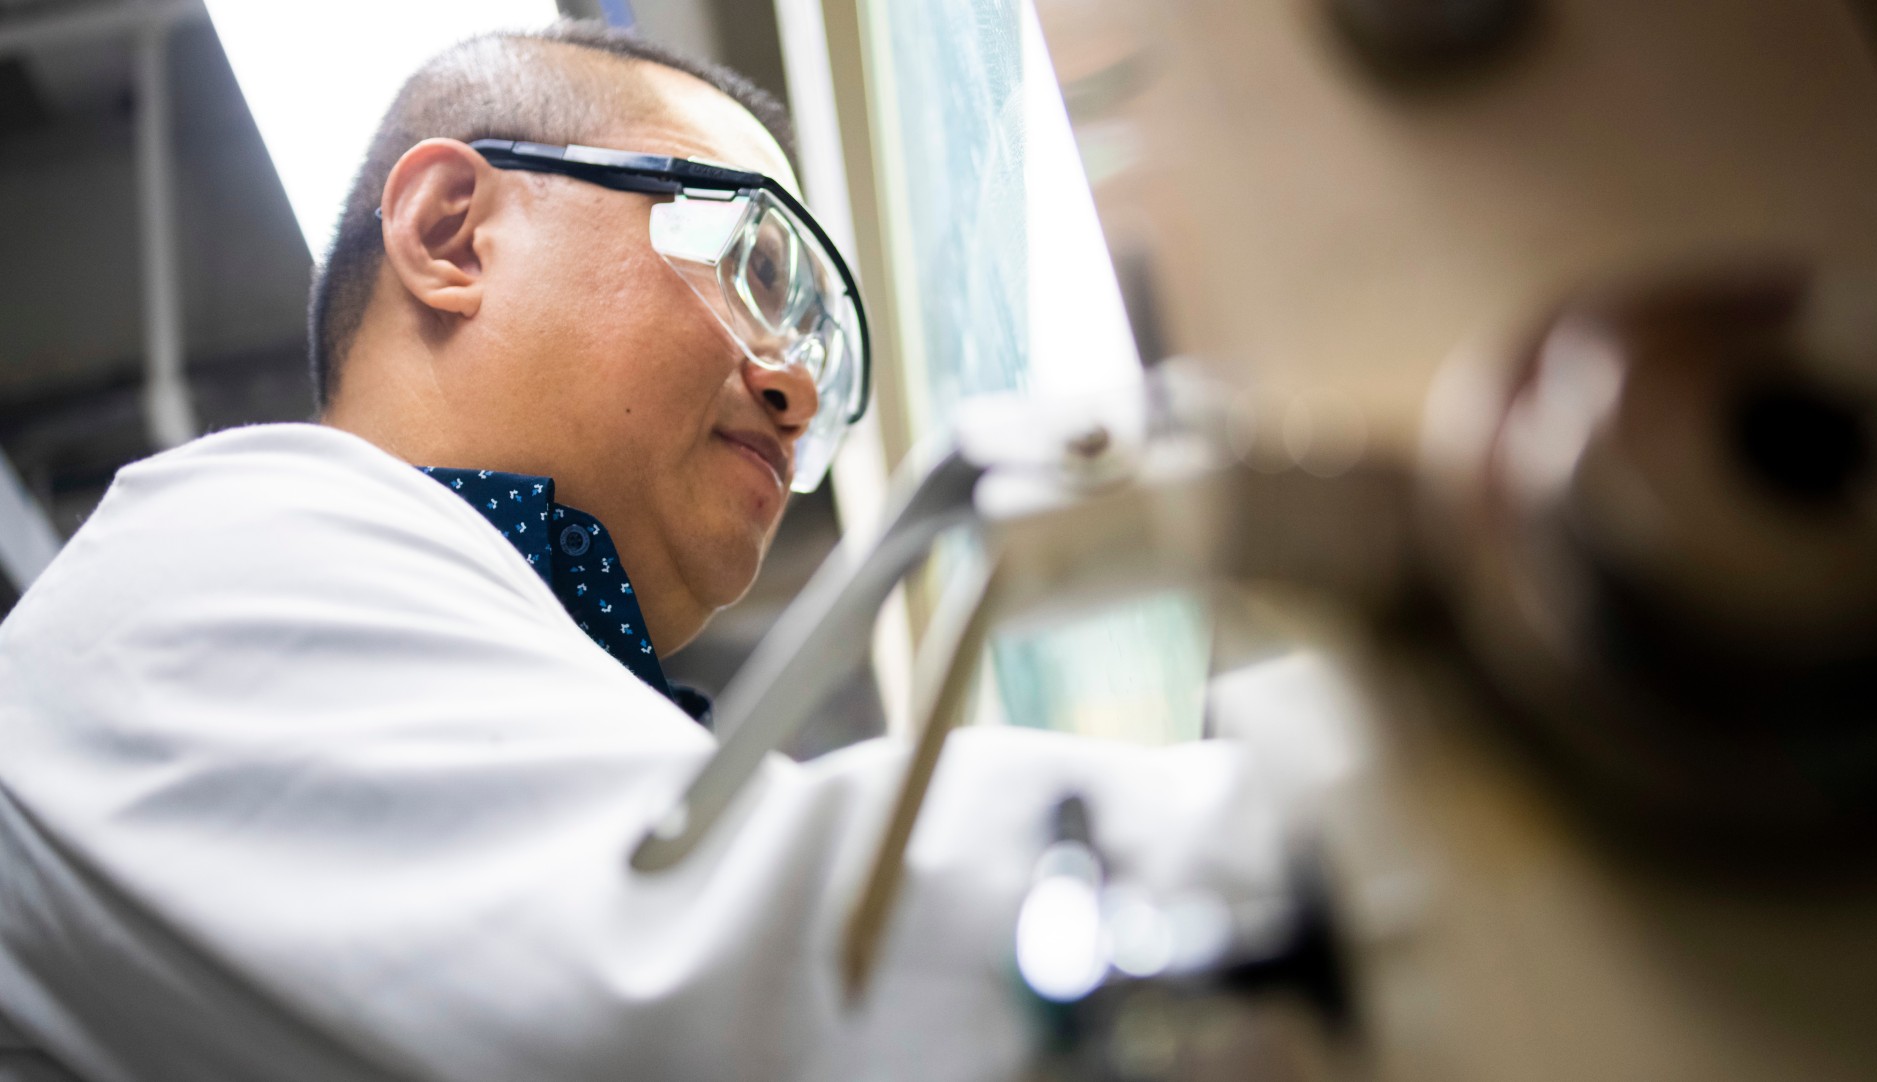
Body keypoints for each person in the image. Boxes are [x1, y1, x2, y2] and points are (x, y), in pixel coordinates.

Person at [0, 22, 1288, 1081]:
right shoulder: (220, 572)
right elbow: (725, 980)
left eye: (825, 362)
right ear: (453, 233)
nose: (792, 385)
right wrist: (1335, 838)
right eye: (750, 261)